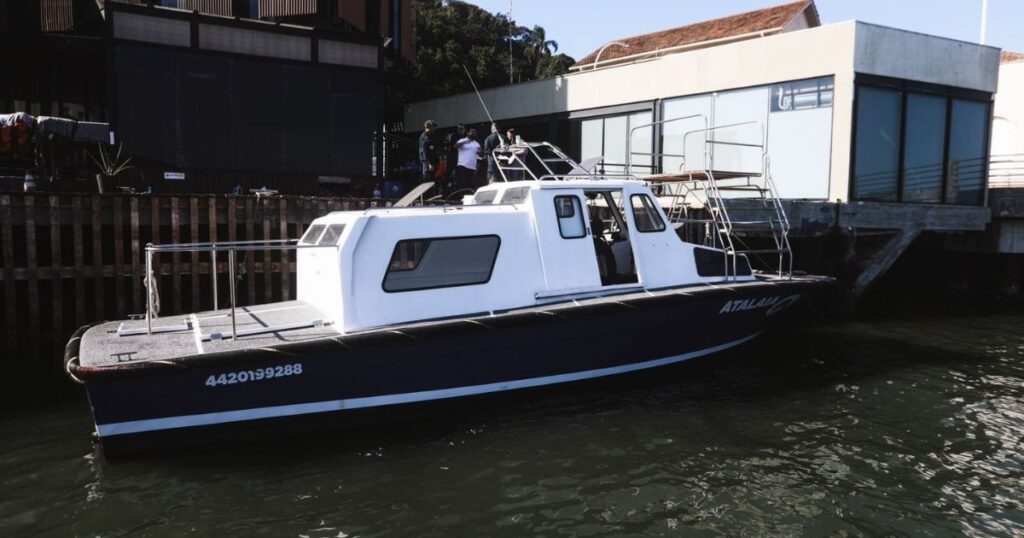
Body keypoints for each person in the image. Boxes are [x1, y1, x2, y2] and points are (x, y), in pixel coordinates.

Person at [418, 120, 441, 184]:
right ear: (429, 127)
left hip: (433, 162)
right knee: (427, 180)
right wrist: (429, 164)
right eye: (433, 127)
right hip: (427, 163)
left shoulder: (432, 136)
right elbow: (423, 152)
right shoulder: (424, 137)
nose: (435, 129)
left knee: (434, 181)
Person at [445, 123, 466, 191]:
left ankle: (459, 189)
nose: (460, 130)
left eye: (462, 129)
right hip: (452, 158)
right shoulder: (453, 136)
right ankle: (445, 188)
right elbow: (454, 146)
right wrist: (464, 142)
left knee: (460, 176)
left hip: (461, 159)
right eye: (459, 128)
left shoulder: (465, 137)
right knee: (448, 174)